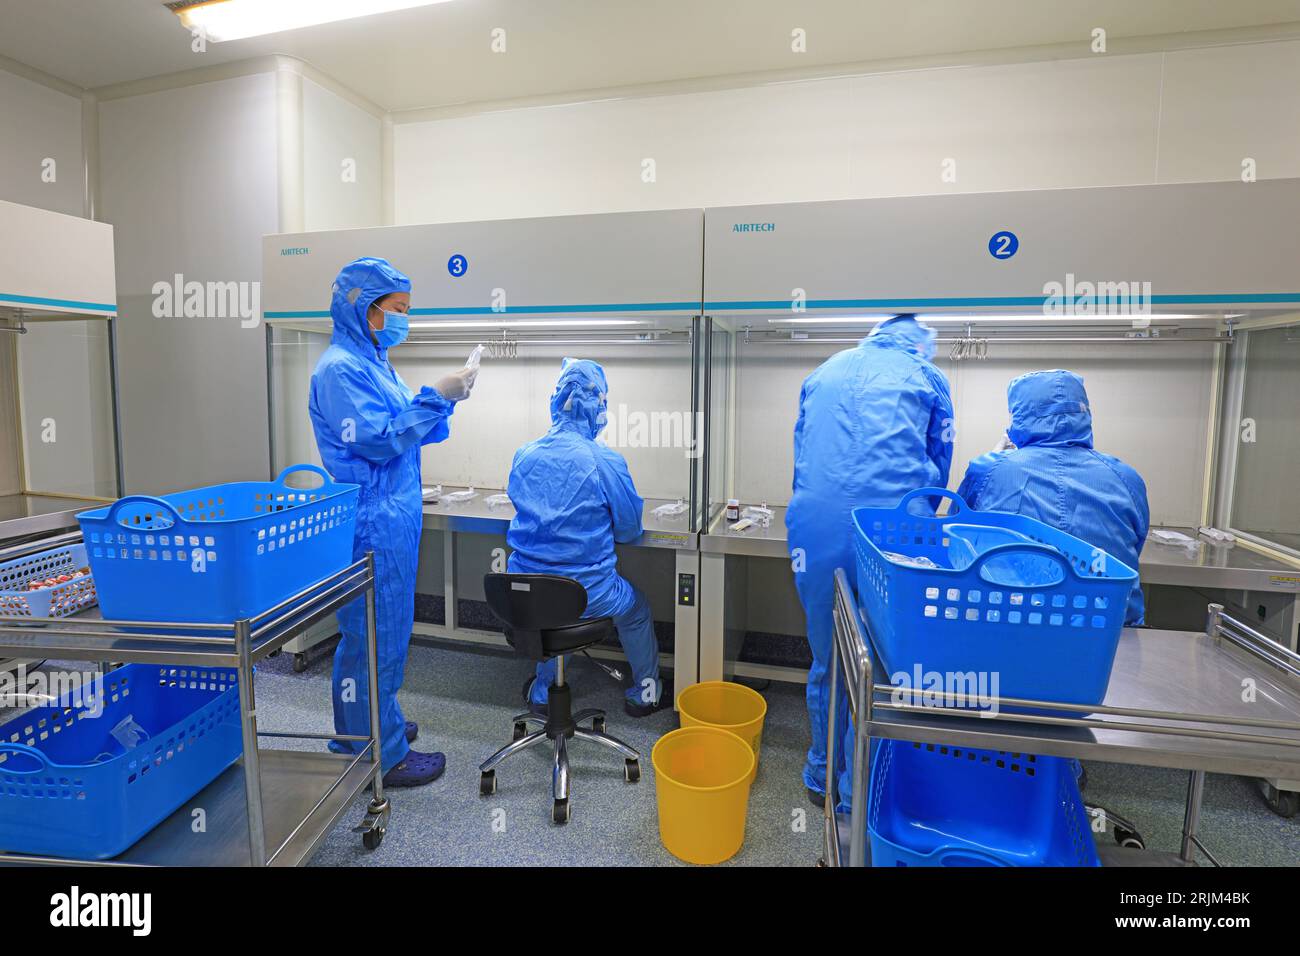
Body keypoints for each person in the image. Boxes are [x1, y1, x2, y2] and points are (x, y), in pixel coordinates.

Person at [309, 257, 478, 788]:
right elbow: (380, 439)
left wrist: (444, 399)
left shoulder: (376, 362)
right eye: (398, 309)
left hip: (393, 518)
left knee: (381, 637)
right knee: (372, 640)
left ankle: (372, 726)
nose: (404, 319)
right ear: (364, 306)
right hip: (371, 523)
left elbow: (409, 427)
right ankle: (382, 753)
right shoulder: (340, 369)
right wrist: (436, 397)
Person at [786, 314, 953, 807]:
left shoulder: (824, 370)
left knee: (828, 656)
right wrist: (926, 519)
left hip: (814, 527)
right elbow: (939, 459)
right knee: (884, 666)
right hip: (895, 528)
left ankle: (821, 772)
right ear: (919, 341)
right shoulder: (926, 376)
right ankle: (860, 795)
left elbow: (802, 453)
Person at [506, 358, 666, 717]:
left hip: (523, 593)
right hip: (587, 595)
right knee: (636, 610)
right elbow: (629, 529)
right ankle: (647, 693)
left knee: (548, 601)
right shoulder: (604, 461)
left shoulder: (524, 454)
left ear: (556, 401)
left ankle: (544, 691)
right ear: (598, 406)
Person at [956, 369, 1149, 625]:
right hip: (1109, 631)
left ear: (1018, 416)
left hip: (1010, 623)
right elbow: (1135, 544)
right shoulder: (1126, 477)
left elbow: (956, 531)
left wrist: (994, 460)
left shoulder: (986, 470)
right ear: (1084, 413)